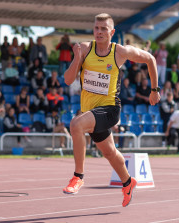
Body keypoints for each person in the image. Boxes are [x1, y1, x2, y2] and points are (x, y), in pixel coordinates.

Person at [62, 13, 160, 207]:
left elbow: (150, 59)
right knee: (109, 152)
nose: (99, 32)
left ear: (112, 32)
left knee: (76, 124)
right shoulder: (84, 49)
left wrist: (155, 90)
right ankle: (127, 182)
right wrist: (76, 58)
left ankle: (78, 176)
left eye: (103, 29)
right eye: (96, 28)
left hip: (109, 109)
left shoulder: (120, 52)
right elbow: (67, 80)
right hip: (90, 111)